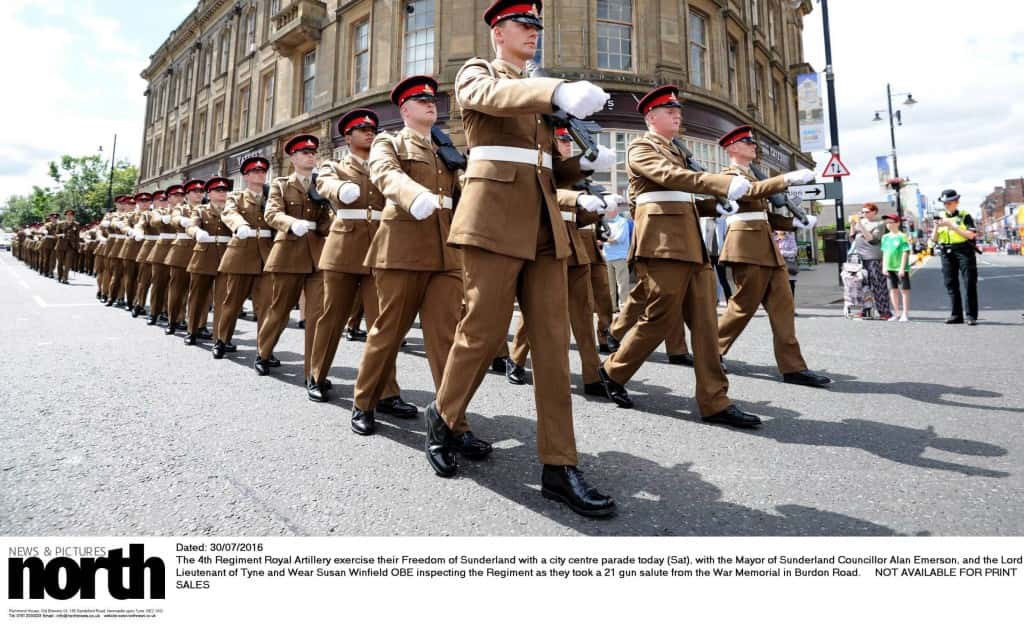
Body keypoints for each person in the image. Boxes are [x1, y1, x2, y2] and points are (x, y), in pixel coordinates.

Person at [432, 0, 617, 517]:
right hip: (492, 219)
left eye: (537, 24)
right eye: (523, 24)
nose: (533, 31)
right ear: (498, 31)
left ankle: (559, 465)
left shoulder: (538, 94)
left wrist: (583, 169)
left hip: (542, 224)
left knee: (552, 344)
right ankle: (444, 418)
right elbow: (491, 97)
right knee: (482, 332)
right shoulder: (479, 73)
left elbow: (549, 170)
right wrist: (554, 91)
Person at [597, 85, 762, 428]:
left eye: (678, 111)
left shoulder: (680, 152)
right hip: (661, 244)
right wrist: (717, 183)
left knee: (705, 326)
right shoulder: (641, 147)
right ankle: (613, 372)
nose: (677, 115)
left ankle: (715, 400)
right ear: (651, 116)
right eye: (669, 111)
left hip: (690, 245)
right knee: (658, 317)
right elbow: (668, 178)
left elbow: (685, 198)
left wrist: (715, 203)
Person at [349, 76, 466, 435]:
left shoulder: (446, 147)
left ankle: (452, 423)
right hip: (401, 250)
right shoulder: (389, 141)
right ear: (404, 109)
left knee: (446, 338)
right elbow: (383, 172)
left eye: (433, 99)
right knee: (388, 332)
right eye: (420, 99)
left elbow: (464, 192)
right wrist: (412, 195)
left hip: (446, 253)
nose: (431, 103)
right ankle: (364, 401)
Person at [310, 107, 414, 418]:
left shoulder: (387, 165)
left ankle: (386, 392)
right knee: (332, 316)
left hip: (381, 249)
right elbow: (323, 183)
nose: (369, 132)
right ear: (348, 136)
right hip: (344, 249)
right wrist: (340, 188)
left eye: (372, 128)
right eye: (361, 129)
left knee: (381, 324)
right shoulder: (335, 166)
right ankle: (316, 375)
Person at [713, 124, 829, 388]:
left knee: (783, 307)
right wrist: (785, 179)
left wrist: (794, 224)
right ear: (732, 147)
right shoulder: (728, 175)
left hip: (767, 246)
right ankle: (712, 351)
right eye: (747, 142)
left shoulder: (755, 175)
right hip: (745, 246)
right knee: (742, 306)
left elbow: (766, 215)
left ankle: (793, 367)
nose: (754, 145)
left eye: (753, 142)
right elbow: (750, 194)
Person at [254, 134, 331, 376]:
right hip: (288, 252)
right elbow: (272, 213)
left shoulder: (322, 184)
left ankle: (314, 373)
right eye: (305, 153)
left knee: (317, 315)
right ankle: (263, 353)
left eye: (312, 153)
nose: (311, 156)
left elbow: (326, 218)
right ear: (294, 158)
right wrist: (290, 223)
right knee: (280, 309)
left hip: (317, 255)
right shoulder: (280, 184)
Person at [215, 157, 274, 359]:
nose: (260, 174)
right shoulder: (236, 197)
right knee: (232, 302)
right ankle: (222, 340)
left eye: (262, 171)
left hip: (266, 255)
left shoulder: (272, 196)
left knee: (266, 305)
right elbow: (229, 213)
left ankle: (265, 350)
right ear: (246, 176)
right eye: (255, 171)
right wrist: (239, 225)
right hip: (241, 254)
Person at [182, 178, 233, 346]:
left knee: (223, 300)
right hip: (204, 256)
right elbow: (190, 226)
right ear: (209, 194)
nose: (222, 193)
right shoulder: (200, 210)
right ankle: (192, 330)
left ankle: (220, 337)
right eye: (218, 190)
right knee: (198, 297)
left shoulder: (232, 210)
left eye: (224, 190)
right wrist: (196, 231)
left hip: (227, 257)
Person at [931, 189, 978, 325]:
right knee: (950, 283)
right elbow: (934, 239)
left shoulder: (965, 215)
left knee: (969, 282)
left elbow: (971, 235)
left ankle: (971, 315)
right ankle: (956, 315)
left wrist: (951, 226)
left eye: (949, 203)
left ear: (956, 202)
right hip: (946, 251)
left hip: (964, 251)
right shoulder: (940, 216)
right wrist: (935, 227)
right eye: (944, 203)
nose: (946, 205)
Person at [848, 202, 892, 319]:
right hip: (859, 258)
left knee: (878, 285)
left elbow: (873, 240)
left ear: (874, 212)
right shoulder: (860, 223)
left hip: (873, 257)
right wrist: (852, 225)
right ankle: (865, 310)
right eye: (862, 212)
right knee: (862, 285)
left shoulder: (879, 224)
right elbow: (852, 238)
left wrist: (861, 226)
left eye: (867, 212)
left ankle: (884, 311)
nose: (864, 214)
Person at [880, 213, 912, 322]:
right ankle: (896, 313)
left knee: (904, 290)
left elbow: (905, 252)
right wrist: (884, 266)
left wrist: (902, 268)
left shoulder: (902, 236)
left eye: (890, 222)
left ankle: (905, 313)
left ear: (897, 223)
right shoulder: (885, 237)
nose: (888, 225)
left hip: (901, 268)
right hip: (889, 267)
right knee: (892, 290)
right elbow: (884, 252)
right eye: (887, 223)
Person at [603, 205, 630, 312]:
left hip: (620, 257)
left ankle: (624, 307)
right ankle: (613, 307)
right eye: (607, 211)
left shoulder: (623, 222)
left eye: (609, 211)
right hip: (607, 257)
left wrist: (604, 240)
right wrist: (606, 239)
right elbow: (604, 237)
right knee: (610, 285)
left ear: (615, 211)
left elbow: (618, 239)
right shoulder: (606, 223)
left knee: (622, 284)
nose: (607, 213)